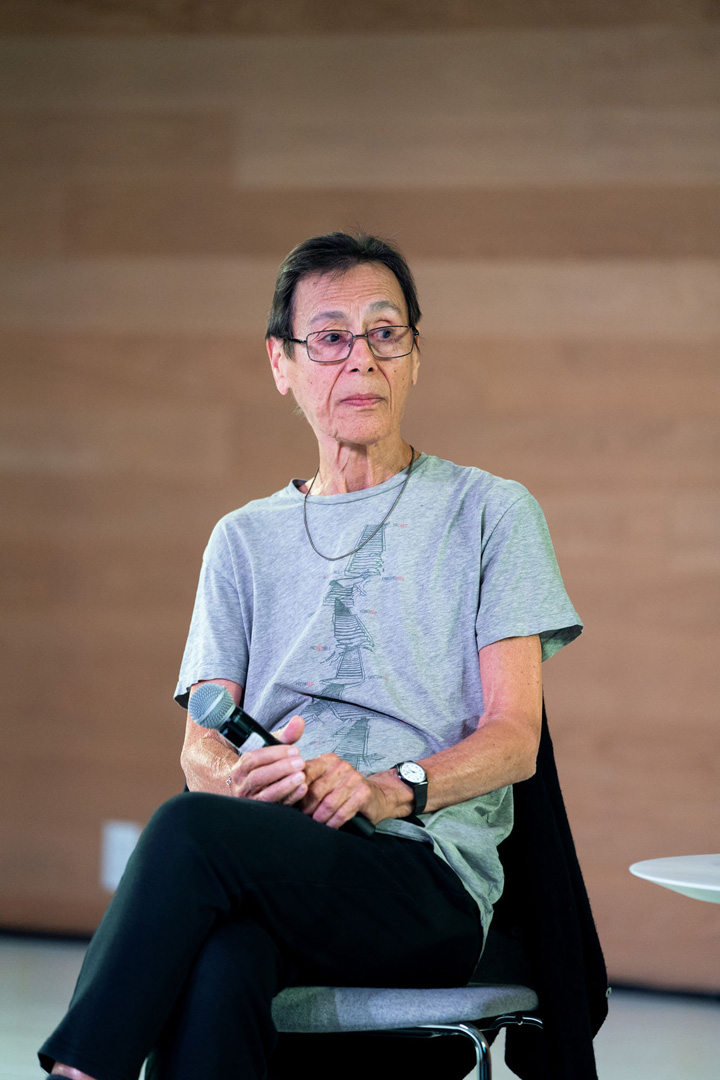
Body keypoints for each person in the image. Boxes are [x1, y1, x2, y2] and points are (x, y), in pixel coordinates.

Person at [40, 232, 583, 1080]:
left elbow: (515, 737)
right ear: (281, 364)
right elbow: (200, 748)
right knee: (224, 969)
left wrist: (381, 788)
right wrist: (247, 781)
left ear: (413, 358)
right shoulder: (241, 541)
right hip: (274, 855)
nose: (359, 358)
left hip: (421, 878)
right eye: (330, 338)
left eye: (384, 333)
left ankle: (78, 1071)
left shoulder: (490, 512)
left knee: (187, 833)